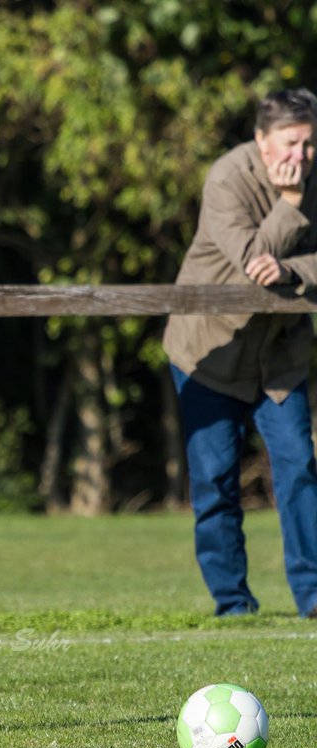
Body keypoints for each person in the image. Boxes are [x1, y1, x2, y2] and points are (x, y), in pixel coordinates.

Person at [163, 88, 317, 618]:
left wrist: (297, 271)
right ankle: (233, 603)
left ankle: (314, 598)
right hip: (208, 352)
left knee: (298, 469)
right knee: (215, 480)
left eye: (309, 144)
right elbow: (254, 260)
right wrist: (292, 203)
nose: (300, 156)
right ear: (261, 139)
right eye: (290, 143)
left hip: (278, 358)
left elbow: (284, 268)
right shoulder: (227, 178)